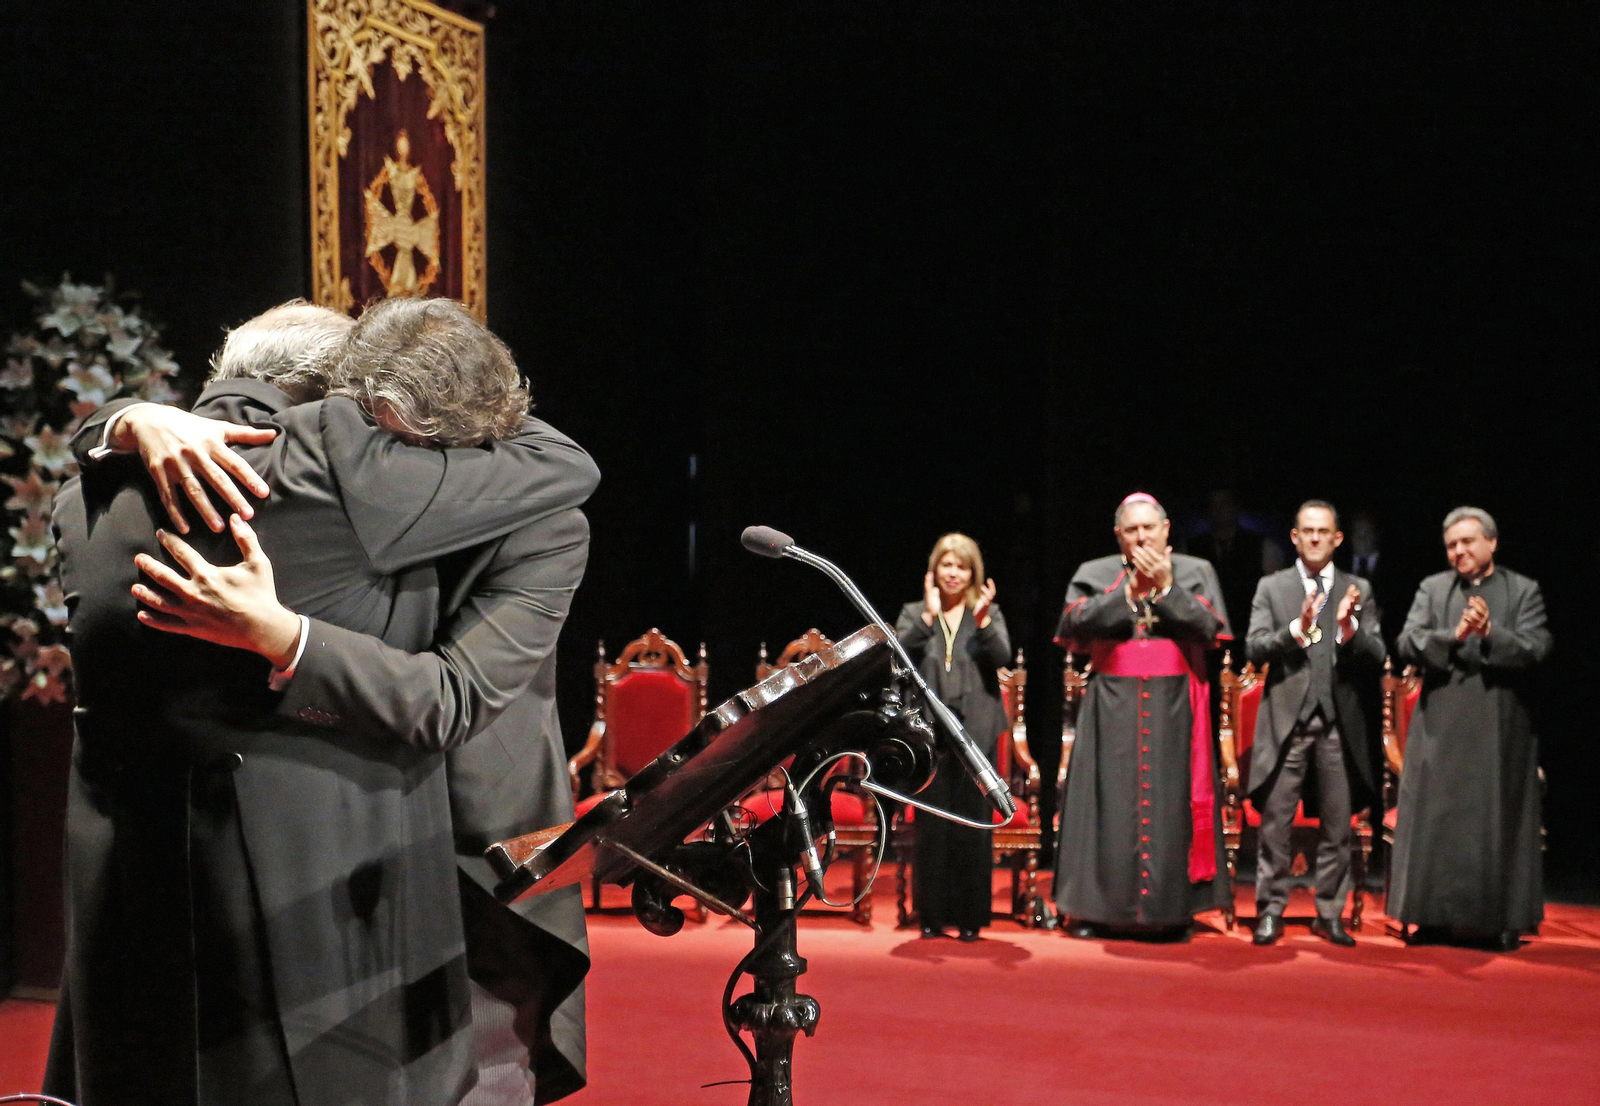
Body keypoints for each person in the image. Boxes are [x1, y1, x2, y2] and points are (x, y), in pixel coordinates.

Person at [47, 298, 599, 1106]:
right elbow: (570, 462)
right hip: (375, 840)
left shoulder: (81, 497)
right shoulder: (342, 464)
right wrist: (285, 637)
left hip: (145, 880)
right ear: (335, 397)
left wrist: (123, 421)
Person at [1054, 493, 1232, 940]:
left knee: (1172, 806)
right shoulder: (1094, 573)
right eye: (1131, 531)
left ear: (1166, 529)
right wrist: (1127, 592)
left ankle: (1171, 911)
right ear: (1119, 536)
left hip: (1175, 707)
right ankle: (1096, 910)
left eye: (1149, 528)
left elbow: (1212, 631)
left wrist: (1168, 589)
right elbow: (1073, 626)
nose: (1141, 537)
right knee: (1105, 808)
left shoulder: (1197, 572)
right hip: (1110, 705)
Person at [1390, 507, 1551, 951]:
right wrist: (1455, 637)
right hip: (1439, 724)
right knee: (1435, 821)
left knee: (1496, 820)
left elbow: (1537, 649)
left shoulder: (1523, 590)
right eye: (1451, 546)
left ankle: (1499, 920)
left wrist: (1490, 633)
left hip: (1500, 727)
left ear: (1492, 543)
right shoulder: (1433, 588)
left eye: (1467, 542)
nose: (1458, 552)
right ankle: (1430, 919)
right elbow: (1406, 642)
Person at [1244, 501, 1385, 947]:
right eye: (1307, 531)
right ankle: (1270, 910)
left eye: (1324, 531)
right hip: (1288, 721)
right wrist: (1295, 629)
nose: (1316, 538)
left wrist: (1348, 629)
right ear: (1294, 537)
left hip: (1338, 724)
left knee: (1337, 828)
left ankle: (1330, 913)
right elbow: (1254, 648)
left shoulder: (1356, 587)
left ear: (1338, 538)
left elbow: (1379, 655)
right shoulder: (1273, 586)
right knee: (1276, 826)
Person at [894, 534, 1010, 942]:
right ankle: (932, 916)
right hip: (929, 735)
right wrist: (927, 618)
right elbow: (897, 657)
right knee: (935, 827)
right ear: (935, 570)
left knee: (972, 826)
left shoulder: (986, 612)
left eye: (962, 566)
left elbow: (1003, 657)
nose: (954, 573)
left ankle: (970, 918)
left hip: (976, 733)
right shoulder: (914, 613)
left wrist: (982, 620)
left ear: (973, 572)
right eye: (947, 565)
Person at [1184, 488, 1270, 631]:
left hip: (1250, 629)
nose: (1220, 510)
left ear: (1235, 507)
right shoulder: (1190, 547)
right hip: (1205, 630)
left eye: (1225, 504)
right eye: (1214, 505)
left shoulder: (1261, 546)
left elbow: (1271, 594)